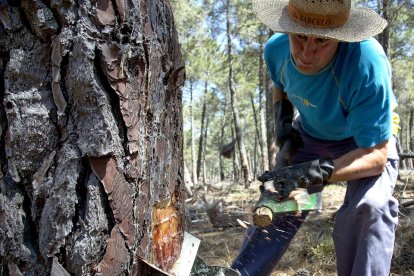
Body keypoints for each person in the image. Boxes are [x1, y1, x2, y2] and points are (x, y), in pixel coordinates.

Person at [231, 0, 400, 275]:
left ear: (340, 36)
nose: (306, 53)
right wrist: (283, 124)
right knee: (279, 201)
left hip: (367, 140)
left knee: (370, 208)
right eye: (299, 37)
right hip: (312, 133)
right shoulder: (276, 48)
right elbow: (281, 87)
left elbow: (377, 157)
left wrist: (313, 173)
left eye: (321, 41)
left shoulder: (367, 62)